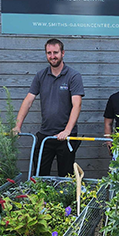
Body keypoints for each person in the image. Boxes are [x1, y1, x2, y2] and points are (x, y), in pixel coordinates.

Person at [12, 38, 84, 177]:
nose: (52, 56)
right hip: (45, 135)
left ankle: (67, 199)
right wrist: (17, 126)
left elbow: (77, 105)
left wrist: (67, 130)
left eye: (55, 52)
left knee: (66, 177)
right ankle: (39, 200)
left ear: (63, 53)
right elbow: (28, 101)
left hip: (66, 137)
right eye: (49, 53)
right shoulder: (41, 76)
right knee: (39, 175)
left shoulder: (73, 76)